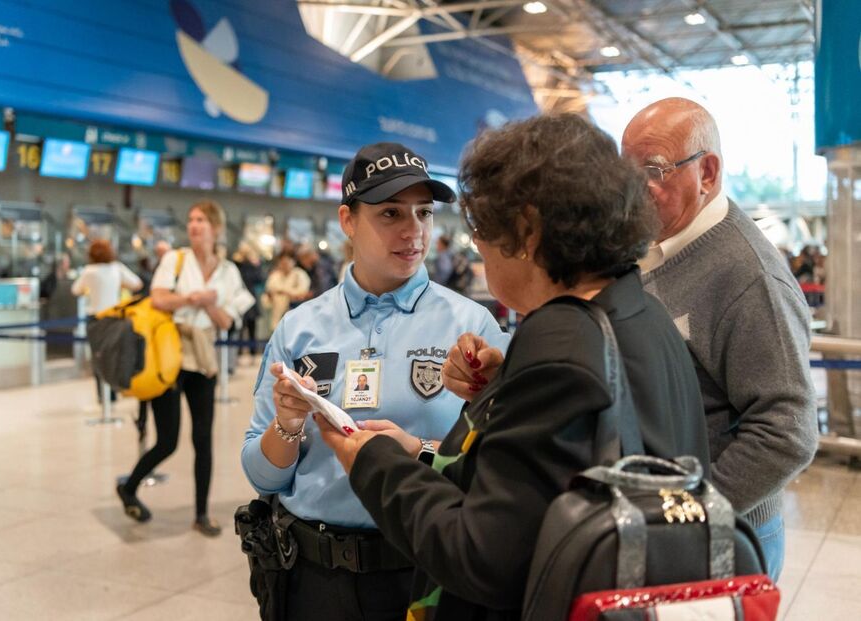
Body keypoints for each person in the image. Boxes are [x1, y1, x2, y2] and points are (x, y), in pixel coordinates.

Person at [315, 115, 711, 620]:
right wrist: (477, 410)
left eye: (482, 229)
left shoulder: (558, 342)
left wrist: (372, 461)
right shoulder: (639, 311)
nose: (477, 247)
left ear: (526, 230)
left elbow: (481, 557)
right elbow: (554, 484)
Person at [241, 141, 510, 621]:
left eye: (424, 213)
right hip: (311, 579)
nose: (414, 232)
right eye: (390, 214)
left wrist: (420, 448)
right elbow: (264, 476)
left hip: (423, 574)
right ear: (348, 221)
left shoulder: (473, 328)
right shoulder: (300, 327)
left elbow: (504, 468)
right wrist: (285, 425)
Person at [621, 97, 817, 581]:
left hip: (721, 537)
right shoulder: (655, 246)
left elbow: (787, 432)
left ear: (707, 172)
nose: (633, 189)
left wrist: (688, 513)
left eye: (654, 169)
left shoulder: (749, 276)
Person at [117, 200, 254, 537]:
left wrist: (210, 304)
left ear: (216, 228)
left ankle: (201, 513)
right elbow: (158, 298)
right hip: (169, 353)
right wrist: (193, 298)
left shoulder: (229, 273)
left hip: (203, 356)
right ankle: (129, 486)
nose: (194, 225)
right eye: (191, 219)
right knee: (168, 440)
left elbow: (225, 322)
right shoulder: (175, 260)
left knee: (203, 438)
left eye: (202, 220)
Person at [72, 240, 142, 403]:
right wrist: (119, 285)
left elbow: (75, 290)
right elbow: (137, 284)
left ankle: (102, 396)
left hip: (96, 319)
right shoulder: (117, 268)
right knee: (115, 355)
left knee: (98, 357)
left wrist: (89, 290)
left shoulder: (89, 271)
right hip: (115, 318)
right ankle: (114, 391)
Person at [233, 242, 266, 357]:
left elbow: (259, 279)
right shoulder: (236, 265)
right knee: (240, 327)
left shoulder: (253, 265)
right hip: (239, 298)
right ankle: (239, 352)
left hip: (251, 299)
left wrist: (256, 265)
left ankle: (253, 353)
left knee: (252, 327)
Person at [263, 253, 310, 332]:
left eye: (287, 262)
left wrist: (283, 291)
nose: (285, 265)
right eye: (282, 262)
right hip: (276, 312)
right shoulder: (275, 275)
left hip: (295, 309)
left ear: (293, 262)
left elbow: (302, 292)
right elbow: (270, 290)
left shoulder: (299, 274)